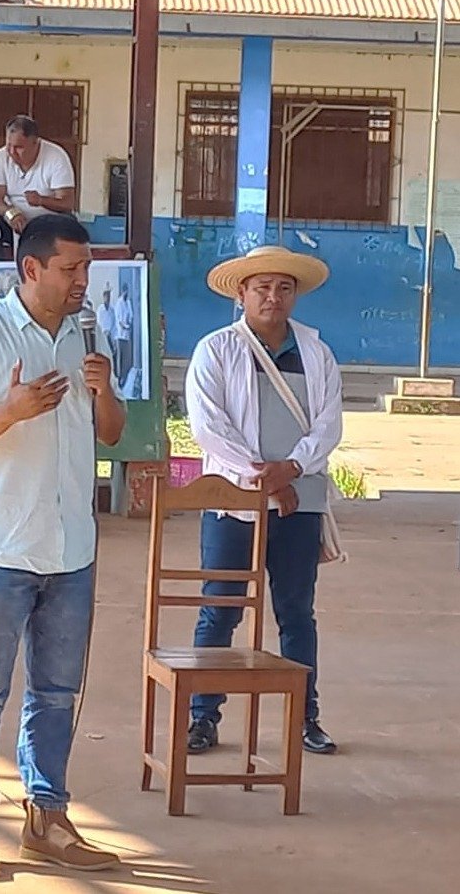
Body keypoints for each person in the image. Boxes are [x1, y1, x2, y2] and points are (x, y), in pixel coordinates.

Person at [0, 214, 125, 878]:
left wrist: (104, 390)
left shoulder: (85, 335)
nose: (82, 281)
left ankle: (47, 818)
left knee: (57, 691)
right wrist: (9, 411)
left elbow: (112, 432)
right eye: (70, 269)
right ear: (31, 268)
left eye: (86, 268)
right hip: (1, 542)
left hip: (72, 546)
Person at [184, 245, 342, 757]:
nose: (273, 297)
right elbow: (209, 428)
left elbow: (328, 425)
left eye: (284, 288)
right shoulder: (216, 350)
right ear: (242, 294)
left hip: (300, 502)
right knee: (221, 609)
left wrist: (292, 468)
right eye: (262, 287)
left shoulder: (317, 354)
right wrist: (267, 479)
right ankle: (202, 717)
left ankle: (305, 717)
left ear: (295, 295)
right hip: (232, 502)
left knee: (296, 612)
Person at [0, 115, 75, 244]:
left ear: (35, 143)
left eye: (19, 147)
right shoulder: (1, 156)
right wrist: (11, 214)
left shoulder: (56, 156)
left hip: (47, 218)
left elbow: (67, 203)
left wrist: (41, 200)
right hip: (12, 216)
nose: (12, 152)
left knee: (69, 225)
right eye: (8, 145)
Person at [114, 283, 133, 386]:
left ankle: (124, 379)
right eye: (125, 291)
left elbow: (131, 316)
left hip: (127, 336)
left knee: (127, 360)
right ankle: (119, 379)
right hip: (120, 335)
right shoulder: (119, 303)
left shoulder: (128, 302)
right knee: (119, 360)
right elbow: (119, 321)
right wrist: (126, 326)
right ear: (123, 291)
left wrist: (129, 324)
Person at [96, 282, 116, 359]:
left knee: (113, 354)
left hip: (110, 335)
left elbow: (114, 324)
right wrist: (104, 332)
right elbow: (98, 323)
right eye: (106, 296)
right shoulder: (100, 310)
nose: (108, 298)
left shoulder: (112, 310)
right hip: (103, 334)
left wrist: (112, 335)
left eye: (109, 296)